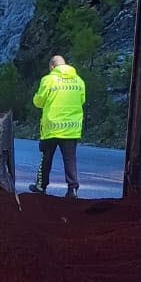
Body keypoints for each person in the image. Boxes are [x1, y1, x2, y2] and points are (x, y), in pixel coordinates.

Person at [30, 54, 86, 197]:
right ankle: (72, 189)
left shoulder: (48, 80)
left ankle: (41, 186)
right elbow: (82, 100)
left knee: (46, 158)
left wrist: (36, 98)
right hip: (71, 128)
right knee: (70, 160)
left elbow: (39, 101)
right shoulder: (78, 81)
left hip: (52, 127)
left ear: (52, 67)